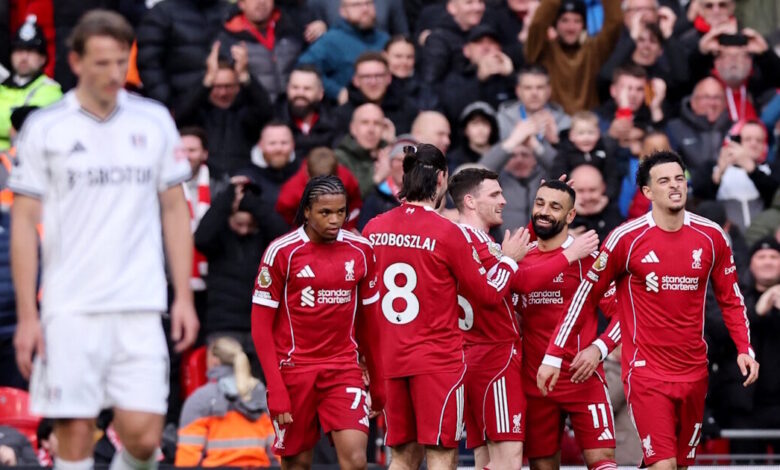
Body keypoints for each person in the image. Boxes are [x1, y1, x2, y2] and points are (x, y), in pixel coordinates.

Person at [10, 10, 199, 470]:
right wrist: (28, 315)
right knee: (74, 433)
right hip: (69, 306)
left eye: (120, 61)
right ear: (75, 62)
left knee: (144, 436)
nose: (114, 73)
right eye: (102, 63)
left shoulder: (154, 120)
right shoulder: (47, 127)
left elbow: (175, 209)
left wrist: (183, 296)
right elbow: (23, 222)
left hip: (140, 301)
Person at [537, 150, 760, 469]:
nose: (675, 185)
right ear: (647, 191)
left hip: (694, 370)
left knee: (679, 465)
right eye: (664, 180)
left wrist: (744, 347)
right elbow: (585, 295)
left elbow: (731, 298)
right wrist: (554, 354)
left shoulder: (712, 236)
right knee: (663, 465)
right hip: (646, 371)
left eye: (679, 179)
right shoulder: (626, 238)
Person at [362, 144, 529, 470]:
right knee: (441, 453)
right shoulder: (448, 233)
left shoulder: (373, 228)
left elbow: (363, 300)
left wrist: (364, 357)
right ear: (440, 179)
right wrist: (509, 260)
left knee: (403, 457)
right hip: (437, 361)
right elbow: (488, 294)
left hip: (390, 358)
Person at [447, 169, 598, 469]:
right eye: (495, 194)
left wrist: (544, 212)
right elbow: (520, 282)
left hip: (471, 355)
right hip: (496, 358)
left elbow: (511, 263)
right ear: (471, 202)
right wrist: (570, 254)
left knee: (486, 458)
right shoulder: (478, 245)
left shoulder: (464, 240)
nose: (504, 200)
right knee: (508, 460)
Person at [251, 175, 385, 470]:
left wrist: (378, 380)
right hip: (295, 369)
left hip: (343, 368)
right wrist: (276, 387)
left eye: (341, 212)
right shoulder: (282, 252)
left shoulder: (361, 250)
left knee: (356, 460)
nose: (335, 220)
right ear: (307, 211)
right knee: (297, 463)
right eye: (325, 212)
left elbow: (370, 323)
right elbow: (260, 326)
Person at [518, 179, 619, 470]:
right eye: (540, 204)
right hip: (535, 383)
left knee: (603, 463)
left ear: (571, 215)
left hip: (582, 378)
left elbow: (625, 314)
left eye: (555, 206)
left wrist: (599, 348)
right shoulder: (519, 258)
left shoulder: (588, 260)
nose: (544, 211)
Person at [175, 41, 273, 182]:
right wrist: (206, 81)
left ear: (237, 86)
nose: (222, 92)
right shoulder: (199, 112)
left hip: (241, 176)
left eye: (228, 86)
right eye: (217, 86)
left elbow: (266, 112)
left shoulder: (246, 112)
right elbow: (180, 115)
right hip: (203, 179)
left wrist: (245, 76)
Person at [175, 336, 276, 467]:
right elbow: (277, 452)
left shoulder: (200, 399)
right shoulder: (260, 394)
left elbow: (187, 459)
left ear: (214, 361)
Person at [524, 0, 623, 114]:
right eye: (564, 20)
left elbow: (615, 22)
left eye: (577, 21)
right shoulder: (543, 50)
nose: (571, 27)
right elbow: (537, 25)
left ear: (584, 25)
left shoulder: (594, 49)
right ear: (555, 24)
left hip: (587, 121)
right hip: (552, 120)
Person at [297, 0, 390, 103]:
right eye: (357, 5)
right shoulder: (330, 41)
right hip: (347, 107)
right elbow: (304, 67)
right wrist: (336, 92)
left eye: (369, 3)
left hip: (387, 105)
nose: (365, 9)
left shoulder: (385, 39)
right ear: (343, 11)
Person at [216, 0, 304, 103]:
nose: (261, 2)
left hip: (293, 107)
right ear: (241, 4)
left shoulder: (291, 27)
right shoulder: (227, 39)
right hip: (253, 108)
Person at [0, 14, 62, 150]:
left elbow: (30, 125)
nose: (23, 57)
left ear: (43, 58)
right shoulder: (2, 86)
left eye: (30, 51)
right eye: (18, 50)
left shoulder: (50, 89)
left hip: (21, 159)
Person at [276, 146, 363, 230]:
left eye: (329, 184)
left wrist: (347, 226)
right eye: (319, 185)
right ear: (307, 173)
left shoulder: (346, 178)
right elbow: (287, 213)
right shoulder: (291, 193)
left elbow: (355, 203)